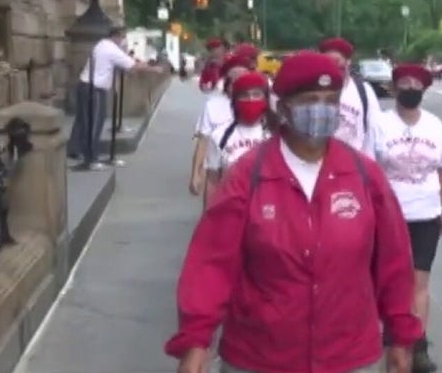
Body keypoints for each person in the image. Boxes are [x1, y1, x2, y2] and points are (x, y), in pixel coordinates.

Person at [166, 50, 422, 373]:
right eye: (311, 99)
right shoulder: (248, 175)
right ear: (284, 105)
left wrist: (400, 336)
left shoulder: (364, 176)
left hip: (348, 356)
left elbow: (395, 262)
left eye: (331, 100)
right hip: (260, 356)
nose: (322, 109)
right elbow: (211, 263)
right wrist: (195, 342)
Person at [372, 64, 442, 373]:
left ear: (424, 89)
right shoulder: (380, 124)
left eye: (416, 83)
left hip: (426, 214)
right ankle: (389, 338)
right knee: (389, 282)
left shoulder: (434, 125)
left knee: (419, 283)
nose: (410, 87)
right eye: (404, 82)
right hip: (389, 216)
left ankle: (416, 343)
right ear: (394, 89)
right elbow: (369, 168)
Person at [67, 25, 161, 170]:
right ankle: (90, 158)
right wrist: (153, 69)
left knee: (83, 121)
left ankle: (77, 150)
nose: (123, 41)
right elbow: (132, 66)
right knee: (94, 123)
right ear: (116, 36)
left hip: (86, 86)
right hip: (94, 89)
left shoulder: (102, 45)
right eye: (122, 37)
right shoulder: (110, 49)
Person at [203, 71, 272, 207]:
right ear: (235, 100)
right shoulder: (220, 135)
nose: (251, 100)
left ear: (265, 100)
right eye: (244, 96)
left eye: (256, 95)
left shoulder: (276, 134)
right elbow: (212, 180)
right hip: (231, 208)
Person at [189, 54, 252, 200]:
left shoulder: (260, 107)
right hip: (218, 174)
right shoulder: (213, 106)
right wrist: (196, 174)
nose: (238, 85)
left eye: (243, 80)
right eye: (233, 81)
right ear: (226, 84)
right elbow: (203, 141)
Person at [318, 37, 381, 157]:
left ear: (348, 62)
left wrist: (368, 162)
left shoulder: (363, 91)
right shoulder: (315, 89)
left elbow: (373, 130)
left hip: (355, 161)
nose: (333, 67)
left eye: (337, 61)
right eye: (327, 61)